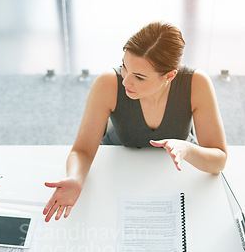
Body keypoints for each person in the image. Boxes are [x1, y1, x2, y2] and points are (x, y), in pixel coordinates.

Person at [43, 21, 228, 222]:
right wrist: (75, 178)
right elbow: (82, 150)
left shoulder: (197, 83)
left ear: (170, 76)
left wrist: (187, 149)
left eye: (139, 77)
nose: (126, 81)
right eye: (124, 66)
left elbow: (218, 161)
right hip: (119, 163)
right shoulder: (108, 83)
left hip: (172, 171)